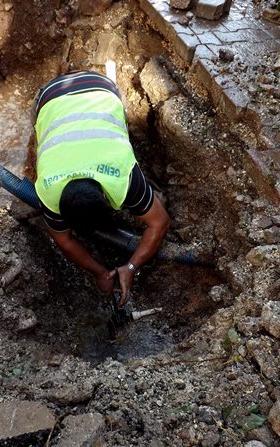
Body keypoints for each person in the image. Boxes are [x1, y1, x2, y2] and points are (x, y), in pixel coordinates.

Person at [33, 70, 170, 306]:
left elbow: (160, 222)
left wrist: (131, 267)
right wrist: (99, 271)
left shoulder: (123, 174)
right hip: (50, 97)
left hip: (102, 88)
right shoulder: (47, 189)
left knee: (123, 137)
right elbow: (64, 240)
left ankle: (142, 205)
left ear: (107, 201)